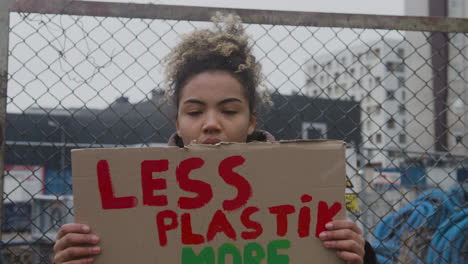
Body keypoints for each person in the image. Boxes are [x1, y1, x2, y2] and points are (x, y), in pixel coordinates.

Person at [53, 13, 376, 264]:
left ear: (251, 121)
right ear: (178, 123)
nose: (211, 124)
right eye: (194, 112)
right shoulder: (133, 204)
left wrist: (358, 255)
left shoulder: (302, 187)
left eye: (229, 111)